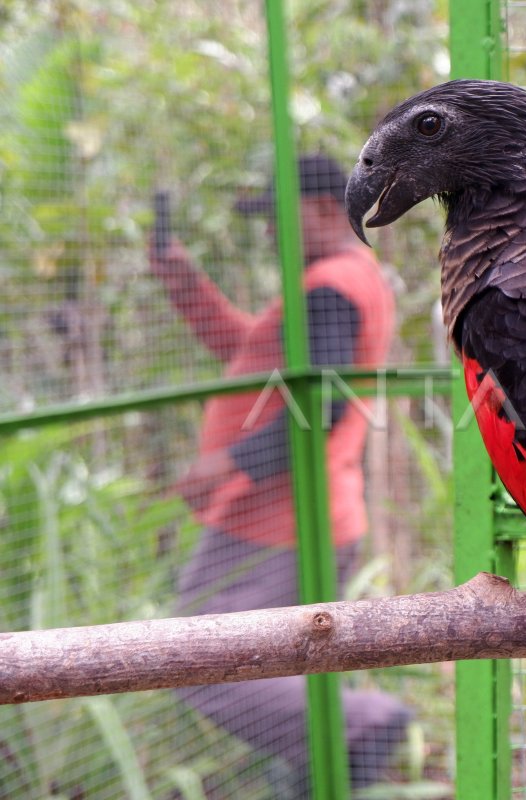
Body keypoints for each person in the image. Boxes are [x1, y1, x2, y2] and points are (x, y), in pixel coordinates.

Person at [149, 154, 408, 796]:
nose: (268, 234)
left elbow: (318, 408)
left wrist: (227, 463)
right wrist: (184, 282)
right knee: (280, 665)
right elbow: (255, 356)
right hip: (296, 514)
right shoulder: (338, 281)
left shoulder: (331, 290)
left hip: (278, 521)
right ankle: (321, 769)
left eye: (277, 219)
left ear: (324, 209)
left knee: (201, 665)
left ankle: (363, 725)